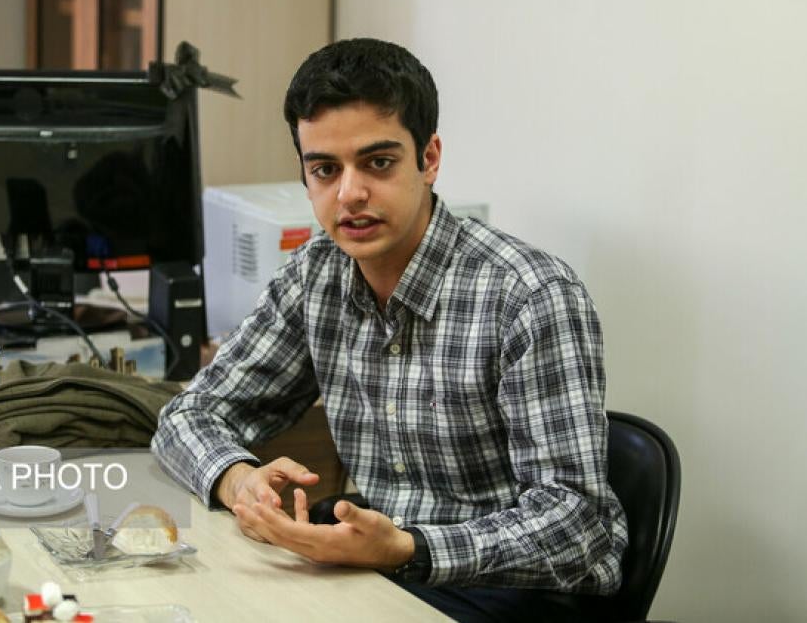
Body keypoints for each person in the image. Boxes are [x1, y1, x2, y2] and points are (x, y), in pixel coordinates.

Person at [152, 37, 627, 622]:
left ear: (429, 159)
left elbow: (577, 526)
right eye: (325, 170)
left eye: (378, 163)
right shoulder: (315, 274)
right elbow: (188, 415)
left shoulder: (529, 295)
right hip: (380, 571)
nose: (349, 194)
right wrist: (237, 479)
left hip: (518, 593)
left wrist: (407, 548)